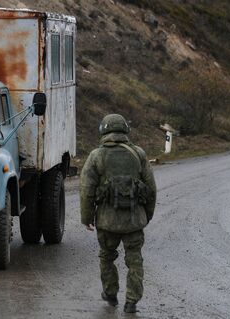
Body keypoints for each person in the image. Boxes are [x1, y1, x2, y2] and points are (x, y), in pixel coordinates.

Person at [80, 114, 156, 314]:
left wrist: (87, 218)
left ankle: (111, 294)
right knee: (135, 260)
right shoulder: (138, 154)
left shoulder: (96, 156)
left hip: (107, 221)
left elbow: (86, 189)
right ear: (125, 131)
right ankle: (131, 301)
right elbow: (151, 188)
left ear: (103, 131)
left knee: (106, 257)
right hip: (134, 221)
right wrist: (147, 215)